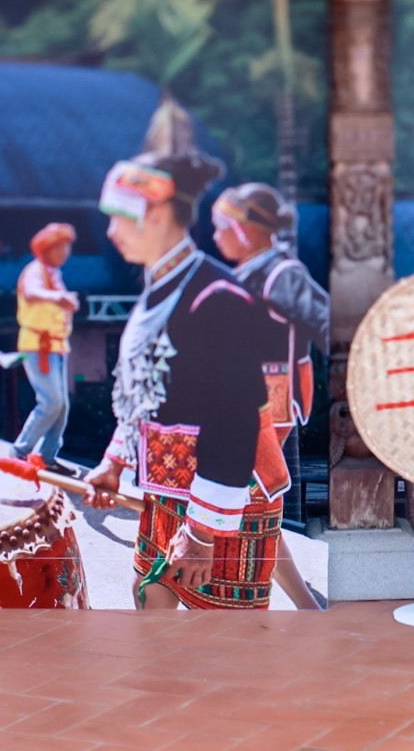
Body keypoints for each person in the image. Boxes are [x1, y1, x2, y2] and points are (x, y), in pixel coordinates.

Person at [83, 151, 289, 610]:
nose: (111, 231)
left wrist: (202, 535)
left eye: (119, 217)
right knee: (149, 598)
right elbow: (146, 394)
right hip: (166, 485)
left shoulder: (219, 298)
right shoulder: (161, 288)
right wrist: (115, 462)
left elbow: (233, 421)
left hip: (227, 496)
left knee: (224, 637)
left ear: (156, 213)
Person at [212, 182, 330, 609]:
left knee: (255, 506)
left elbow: (328, 323)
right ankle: (305, 605)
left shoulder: (282, 276)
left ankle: (295, 604)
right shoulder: (250, 273)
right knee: (255, 508)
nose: (215, 236)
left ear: (243, 229)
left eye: (220, 226)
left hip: (267, 407)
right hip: (247, 404)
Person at [11, 223, 80, 475]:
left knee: (61, 406)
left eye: (66, 247)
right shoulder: (35, 270)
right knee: (51, 402)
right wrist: (59, 298)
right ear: (46, 249)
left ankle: (46, 456)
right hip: (37, 346)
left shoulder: (54, 274)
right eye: (59, 247)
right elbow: (31, 292)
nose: (64, 253)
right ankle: (20, 452)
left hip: (57, 346)